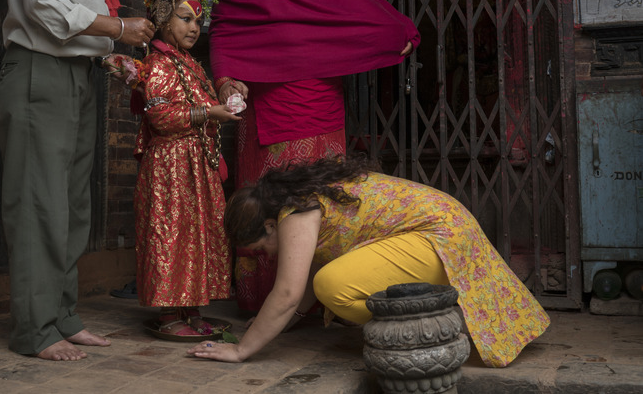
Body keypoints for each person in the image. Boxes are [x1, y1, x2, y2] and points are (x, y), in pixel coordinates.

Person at [188, 156, 551, 368]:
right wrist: (268, 327)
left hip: (441, 239)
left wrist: (241, 349)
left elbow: (286, 293)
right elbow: (295, 297)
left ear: (270, 225)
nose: (266, 256)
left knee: (331, 285)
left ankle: (436, 319)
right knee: (326, 280)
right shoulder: (302, 198)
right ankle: (435, 315)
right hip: (446, 233)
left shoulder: (295, 212)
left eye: (261, 248)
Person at [209, 0, 421, 312]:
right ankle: (270, 301)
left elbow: (361, 8)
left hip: (318, 103)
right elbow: (224, 37)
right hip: (265, 107)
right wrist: (226, 82)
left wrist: (399, 32)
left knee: (321, 199)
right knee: (271, 200)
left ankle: (320, 300)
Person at [0, 0, 155, 361]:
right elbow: (42, 2)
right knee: (39, 201)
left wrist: (103, 50)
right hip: (41, 67)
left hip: (76, 68)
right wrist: (118, 29)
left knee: (72, 205)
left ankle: (60, 315)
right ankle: (35, 328)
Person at [130, 0, 240, 336]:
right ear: (163, 18)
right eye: (185, 18)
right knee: (173, 235)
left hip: (196, 163)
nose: (194, 27)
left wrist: (224, 102)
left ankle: (192, 310)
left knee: (196, 236)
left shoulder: (191, 64)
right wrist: (209, 112)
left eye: (198, 20)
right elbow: (160, 116)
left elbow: (204, 106)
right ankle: (168, 316)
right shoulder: (159, 63)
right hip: (171, 167)